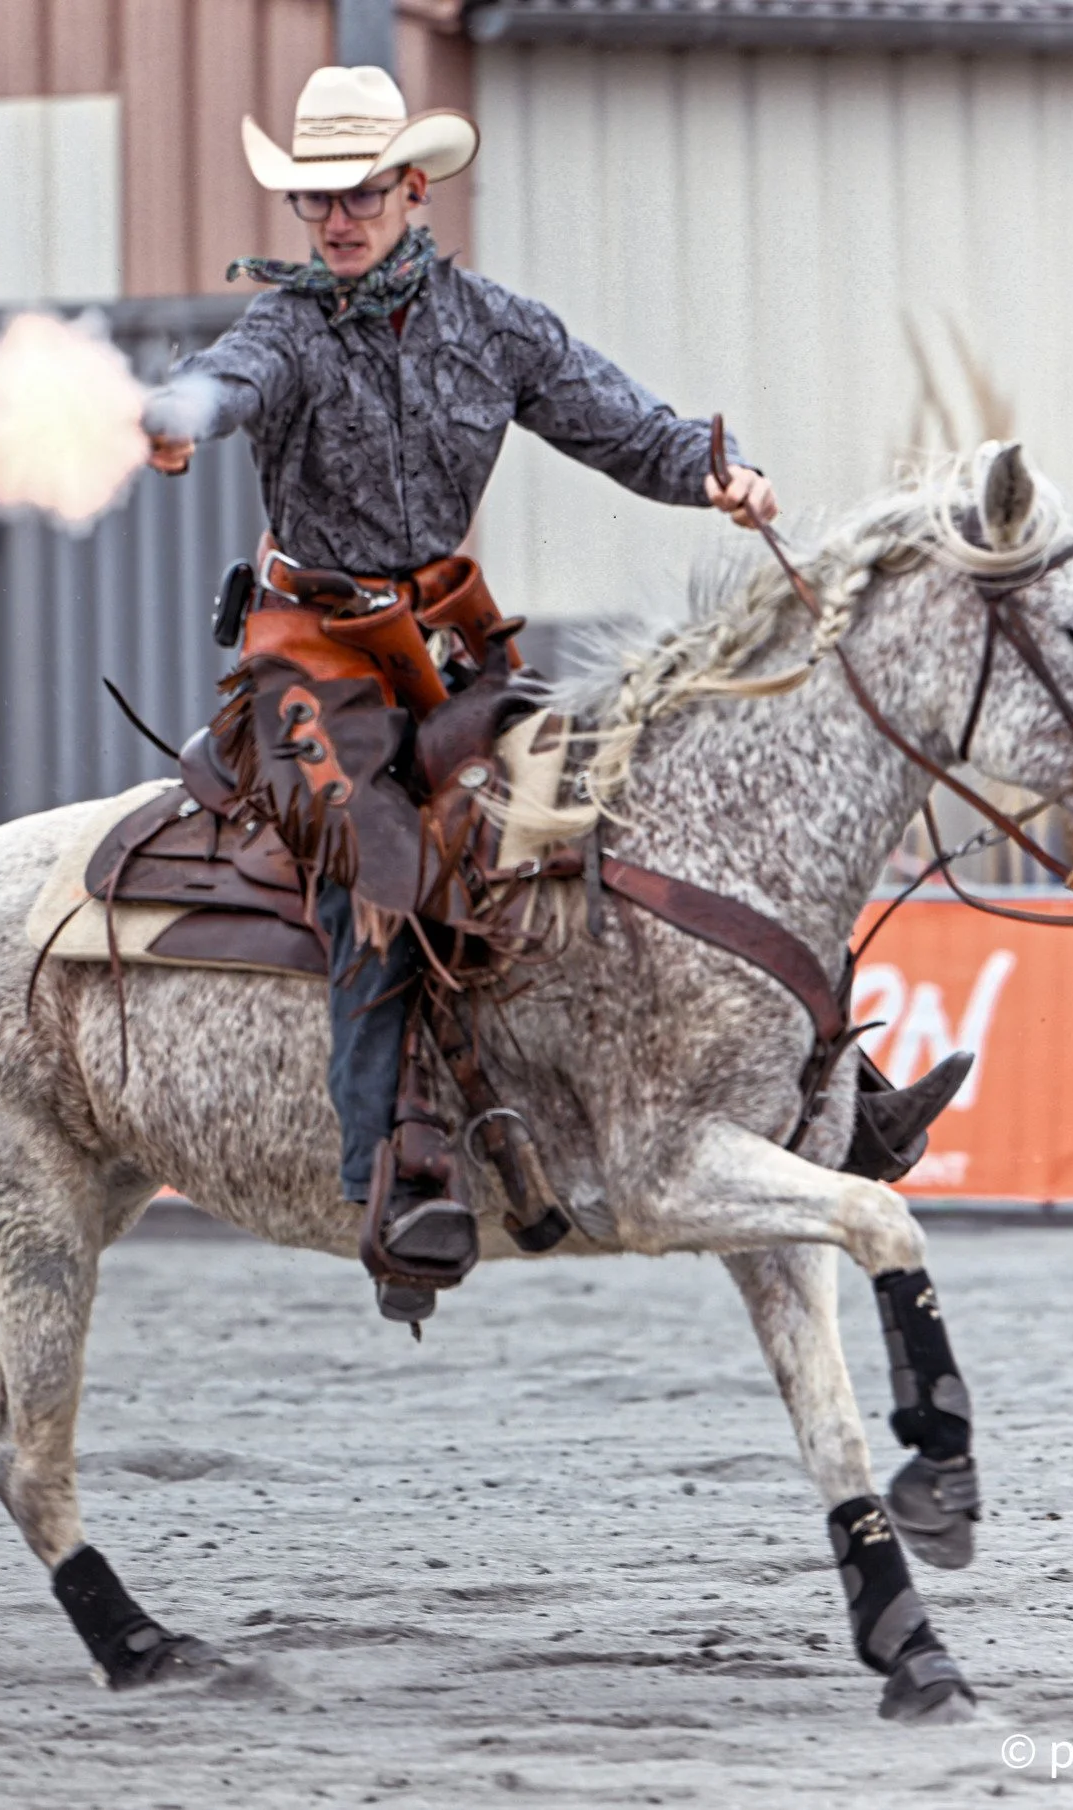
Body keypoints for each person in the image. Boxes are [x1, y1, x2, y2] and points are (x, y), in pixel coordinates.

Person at [143, 65, 779, 1324]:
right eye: (317, 195)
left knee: (600, 798)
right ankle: (386, 1174)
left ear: (410, 189)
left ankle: (741, 1091)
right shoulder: (282, 331)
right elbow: (228, 386)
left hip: (444, 652)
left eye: (359, 190)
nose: (337, 215)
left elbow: (629, 427)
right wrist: (179, 415)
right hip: (306, 660)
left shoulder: (496, 327)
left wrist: (724, 472)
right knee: (377, 861)